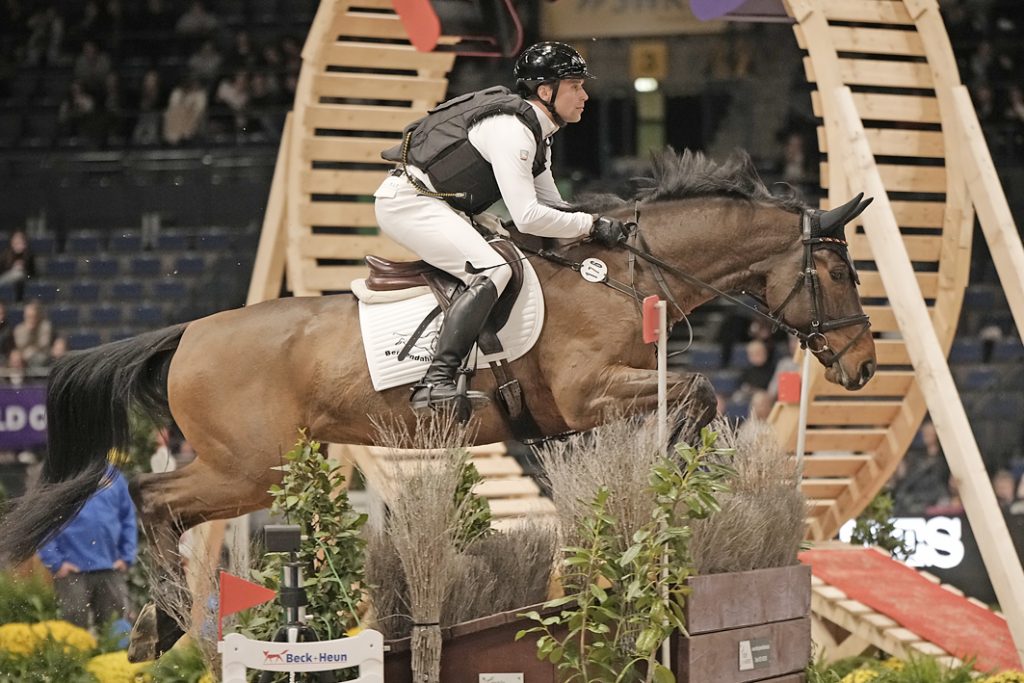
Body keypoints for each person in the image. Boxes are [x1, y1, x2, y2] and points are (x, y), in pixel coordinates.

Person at [374, 41, 630, 412]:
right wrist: (591, 224)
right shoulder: (513, 132)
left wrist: (605, 226)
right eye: (575, 86)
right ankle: (436, 380)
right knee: (493, 269)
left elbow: (555, 209)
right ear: (546, 91)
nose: (585, 95)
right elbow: (528, 216)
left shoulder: (538, 135)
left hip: (441, 205)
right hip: (410, 204)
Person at [37, 464, 138, 630]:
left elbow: (128, 517)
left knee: (115, 629)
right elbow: (43, 522)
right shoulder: (58, 474)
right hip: (72, 570)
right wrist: (56, 562)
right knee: (73, 630)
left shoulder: (114, 477)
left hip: (110, 568)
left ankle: (114, 656)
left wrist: (126, 557)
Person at [13, 300, 52, 367]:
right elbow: (20, 345)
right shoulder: (19, 329)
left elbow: (43, 343)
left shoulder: (45, 326)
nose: (31, 319)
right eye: (29, 316)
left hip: (42, 356)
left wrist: (31, 350)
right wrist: (29, 331)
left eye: (33, 316)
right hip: (24, 358)